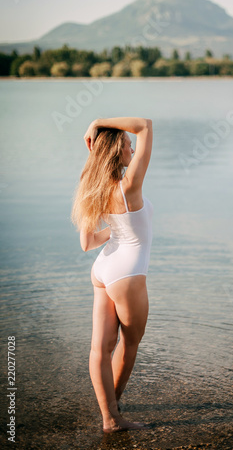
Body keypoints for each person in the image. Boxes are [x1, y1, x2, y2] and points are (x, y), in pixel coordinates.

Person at [71, 117, 153, 432]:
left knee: (100, 348)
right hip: (129, 272)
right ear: (117, 150)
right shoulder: (130, 185)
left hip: (103, 269)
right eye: (126, 143)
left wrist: (119, 229)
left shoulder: (94, 186)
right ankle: (114, 416)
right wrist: (97, 122)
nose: (132, 145)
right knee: (129, 344)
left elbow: (87, 243)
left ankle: (108, 416)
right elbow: (145, 125)